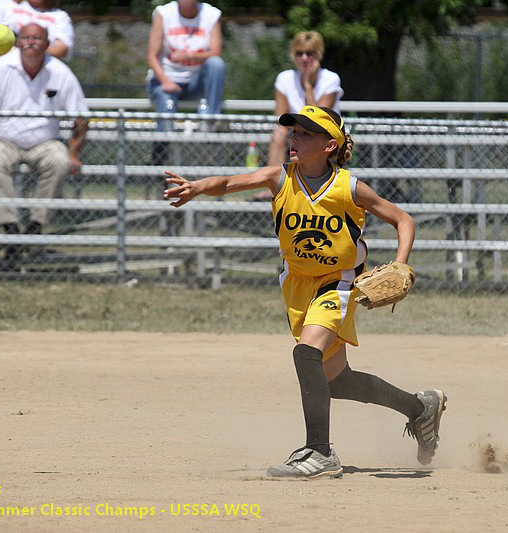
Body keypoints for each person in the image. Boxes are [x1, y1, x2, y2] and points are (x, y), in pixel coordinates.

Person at [163, 106, 447, 479]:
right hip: (297, 286)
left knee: (306, 352)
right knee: (335, 379)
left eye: (306, 134)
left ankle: (319, 452)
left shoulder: (348, 187)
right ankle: (419, 408)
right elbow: (231, 182)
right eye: (294, 132)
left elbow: (402, 219)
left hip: (339, 282)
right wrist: (198, 187)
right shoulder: (280, 178)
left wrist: (400, 263)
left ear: (330, 145)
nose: (295, 139)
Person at [0, 23, 89, 271]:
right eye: (26, 37)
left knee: (60, 162)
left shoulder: (60, 72)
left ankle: (35, 227)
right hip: (3, 138)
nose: (31, 42)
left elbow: (81, 117)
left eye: (37, 38)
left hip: (45, 141)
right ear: (17, 42)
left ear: (47, 44)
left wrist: (73, 153)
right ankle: (12, 231)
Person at [146, 0, 226, 135]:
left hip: (195, 81)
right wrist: (165, 81)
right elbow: (151, 56)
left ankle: (211, 120)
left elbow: (216, 53)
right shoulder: (164, 13)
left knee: (216, 64)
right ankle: (161, 152)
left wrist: (190, 56)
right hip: (167, 80)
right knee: (166, 103)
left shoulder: (210, 14)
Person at [267, 31, 343, 167]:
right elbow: (281, 117)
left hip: (324, 135)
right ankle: (274, 184)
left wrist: (308, 86)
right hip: (296, 131)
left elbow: (319, 121)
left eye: (309, 53)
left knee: (315, 136)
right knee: (279, 133)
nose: (304, 58)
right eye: (299, 53)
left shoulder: (331, 79)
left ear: (319, 54)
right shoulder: (285, 78)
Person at [0, 0, 75, 75]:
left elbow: (62, 49)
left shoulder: (60, 16)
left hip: (36, 77)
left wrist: (30, 48)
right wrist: (9, 38)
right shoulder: (4, 4)